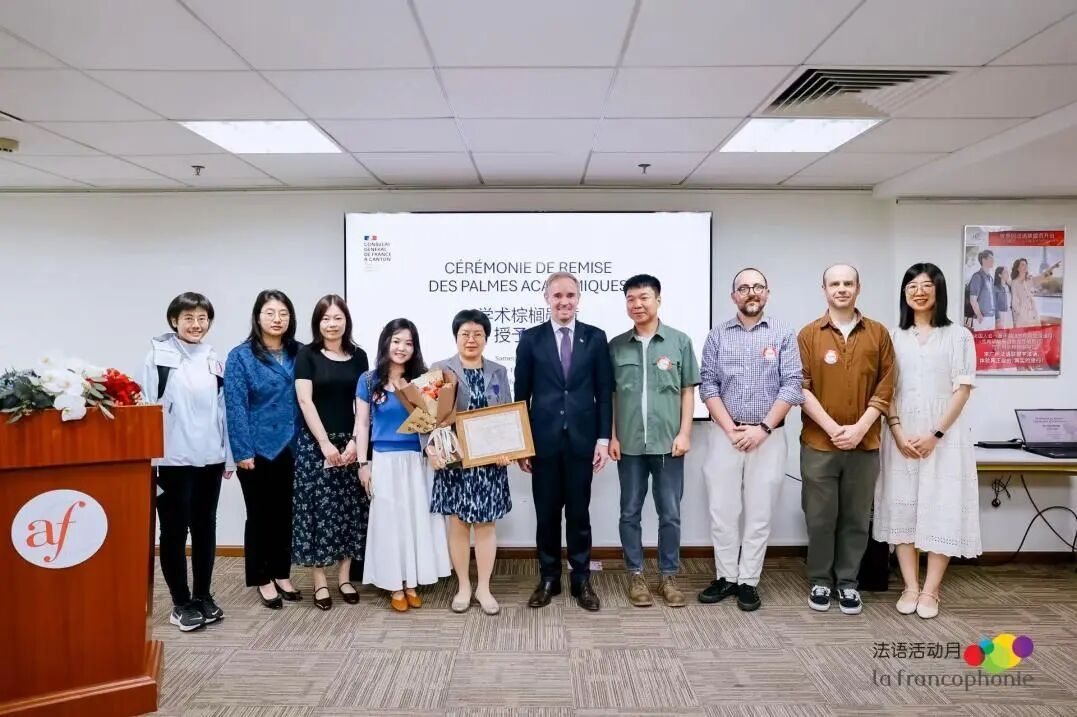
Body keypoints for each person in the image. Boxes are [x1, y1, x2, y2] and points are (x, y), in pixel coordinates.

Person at [875, 263, 982, 619]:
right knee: (902, 507)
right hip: (901, 435)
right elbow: (886, 390)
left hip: (944, 438)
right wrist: (897, 432)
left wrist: (935, 434)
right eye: (911, 286)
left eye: (926, 285)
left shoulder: (958, 336)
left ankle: (931, 589)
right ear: (904, 293)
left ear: (939, 290)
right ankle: (910, 586)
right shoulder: (892, 336)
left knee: (942, 508)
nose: (918, 292)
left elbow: (962, 390)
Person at [698, 268, 803, 612]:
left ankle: (748, 581)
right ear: (734, 297)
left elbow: (792, 384)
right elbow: (708, 385)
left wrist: (762, 429)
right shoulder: (717, 335)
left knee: (760, 512)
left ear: (767, 293)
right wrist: (731, 429)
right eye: (743, 288)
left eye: (757, 287)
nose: (751, 292)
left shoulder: (783, 333)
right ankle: (726, 576)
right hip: (724, 435)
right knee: (722, 511)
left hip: (768, 436)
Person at [797, 265, 895, 616]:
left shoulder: (878, 333)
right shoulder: (809, 334)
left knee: (856, 517)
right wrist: (833, 428)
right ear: (824, 289)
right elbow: (800, 387)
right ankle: (821, 580)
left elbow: (886, 385)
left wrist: (859, 428)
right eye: (834, 283)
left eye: (847, 283)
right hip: (819, 444)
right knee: (820, 517)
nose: (841, 288)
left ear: (858, 288)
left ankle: (848, 583)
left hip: (864, 444)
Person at [515, 272, 613, 612]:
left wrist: (603, 439)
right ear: (547, 298)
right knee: (546, 516)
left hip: (582, 442)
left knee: (579, 514)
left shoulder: (595, 338)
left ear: (578, 298)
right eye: (557, 295)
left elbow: (604, 392)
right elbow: (521, 395)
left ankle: (581, 579)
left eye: (570, 295)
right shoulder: (531, 339)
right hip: (543, 444)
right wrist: (522, 444)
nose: (564, 301)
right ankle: (548, 578)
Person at [608, 274, 700, 608]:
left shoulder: (679, 341)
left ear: (658, 300)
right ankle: (635, 575)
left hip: (668, 444)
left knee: (670, 514)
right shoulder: (616, 346)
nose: (637, 304)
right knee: (629, 512)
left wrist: (685, 433)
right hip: (629, 444)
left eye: (644, 297)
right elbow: (612, 396)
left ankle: (668, 576)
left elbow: (688, 391)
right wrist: (612, 436)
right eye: (631, 299)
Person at [143, 292, 232, 632]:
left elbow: (223, 410)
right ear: (174, 321)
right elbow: (146, 407)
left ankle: (203, 596)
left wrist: (228, 457)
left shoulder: (213, 358)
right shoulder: (158, 357)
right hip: (172, 460)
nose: (196, 325)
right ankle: (181, 603)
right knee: (174, 531)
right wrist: (149, 460)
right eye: (189, 318)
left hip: (209, 458)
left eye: (202, 318)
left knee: (205, 528)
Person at [354, 318, 451, 611]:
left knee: (415, 521)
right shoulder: (368, 380)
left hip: (417, 461)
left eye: (408, 343)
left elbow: (435, 422)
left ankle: (412, 582)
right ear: (386, 342)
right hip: (384, 460)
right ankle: (394, 585)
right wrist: (363, 464)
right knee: (389, 523)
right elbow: (362, 425)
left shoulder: (423, 381)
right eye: (396, 341)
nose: (401, 348)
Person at [427, 309, 513, 615]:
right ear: (456, 337)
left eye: (478, 334)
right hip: (455, 461)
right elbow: (426, 417)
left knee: (486, 525)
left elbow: (507, 414)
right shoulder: (440, 369)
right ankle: (463, 586)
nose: (471, 339)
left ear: (486, 338)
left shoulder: (499, 371)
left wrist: (508, 449)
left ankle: (484, 588)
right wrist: (431, 450)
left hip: (489, 463)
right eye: (465, 334)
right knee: (459, 524)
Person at [224, 289, 301, 610]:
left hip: (294, 445)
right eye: (270, 313)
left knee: (286, 514)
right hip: (257, 449)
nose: (277, 319)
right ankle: (261, 576)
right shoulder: (240, 356)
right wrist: (242, 451)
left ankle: (282, 573)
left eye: (283, 313)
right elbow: (235, 406)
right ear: (257, 317)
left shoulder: (300, 352)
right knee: (259, 515)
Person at [293, 295, 370, 611]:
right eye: (326, 318)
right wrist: (324, 443)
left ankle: (345, 578)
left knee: (349, 512)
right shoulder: (306, 355)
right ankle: (320, 582)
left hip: (350, 444)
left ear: (346, 321)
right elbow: (305, 401)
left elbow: (362, 403)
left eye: (338, 317)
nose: (332, 324)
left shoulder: (359, 356)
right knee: (318, 514)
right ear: (317, 323)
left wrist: (354, 442)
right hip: (316, 445)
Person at [1009, 257, 1061, 328]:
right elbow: (1014, 302)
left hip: (1033, 312)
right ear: (1018, 268)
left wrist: (1052, 267)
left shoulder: (1029, 280)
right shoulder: (1014, 283)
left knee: (1034, 332)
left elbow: (1043, 276)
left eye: (1026, 265)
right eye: (1022, 265)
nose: (1025, 266)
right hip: (1022, 315)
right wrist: (1021, 313)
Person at [966, 250, 995, 331]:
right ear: (983, 260)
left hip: (991, 318)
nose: (993, 260)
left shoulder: (990, 278)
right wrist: (979, 315)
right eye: (990, 258)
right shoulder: (977, 277)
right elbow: (973, 299)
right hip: (982, 318)